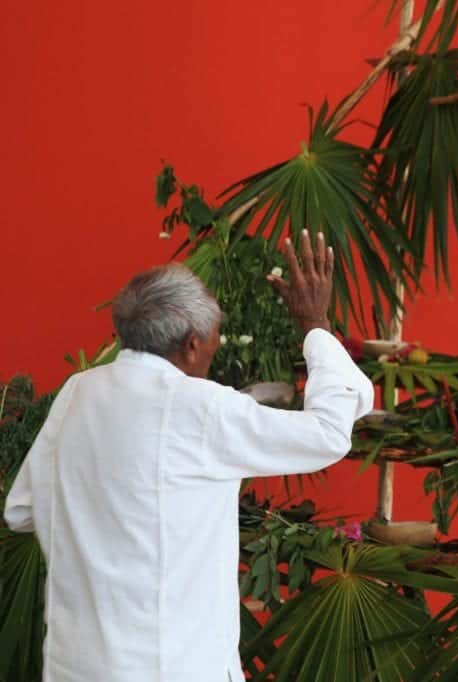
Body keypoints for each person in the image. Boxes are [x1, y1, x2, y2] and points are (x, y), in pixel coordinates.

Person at [3, 230, 375, 682]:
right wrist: (315, 325)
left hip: (75, 667)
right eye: (216, 339)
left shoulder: (77, 392)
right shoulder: (200, 407)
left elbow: (22, 510)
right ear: (192, 344)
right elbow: (329, 434)